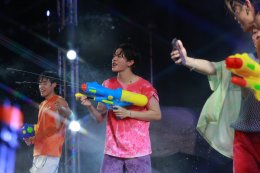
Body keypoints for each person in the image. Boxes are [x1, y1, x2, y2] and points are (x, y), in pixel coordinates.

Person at [170, 1, 260, 172]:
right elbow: (214, 67)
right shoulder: (245, 60)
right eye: (254, 33)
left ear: (248, 6)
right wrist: (187, 60)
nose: (255, 36)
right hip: (243, 138)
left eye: (236, 10)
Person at [78, 43, 161, 173]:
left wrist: (128, 113)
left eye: (120, 56)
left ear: (130, 62)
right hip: (112, 151)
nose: (114, 59)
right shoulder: (107, 84)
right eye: (114, 56)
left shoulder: (145, 86)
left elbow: (156, 114)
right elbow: (100, 117)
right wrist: (90, 107)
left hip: (138, 152)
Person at [23, 71, 71, 173]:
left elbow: (69, 113)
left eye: (44, 83)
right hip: (39, 152)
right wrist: (32, 139)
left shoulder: (59, 100)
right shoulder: (42, 104)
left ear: (54, 85)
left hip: (50, 152)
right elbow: (42, 128)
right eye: (40, 83)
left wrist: (62, 109)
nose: (41, 86)